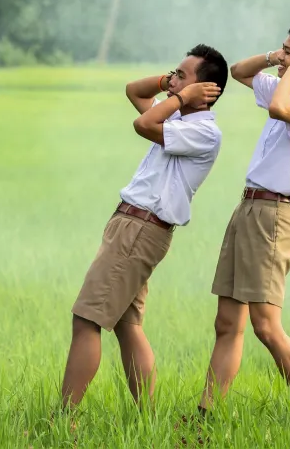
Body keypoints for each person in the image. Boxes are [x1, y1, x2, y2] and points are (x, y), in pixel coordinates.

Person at [60, 44, 228, 411]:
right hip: (134, 225)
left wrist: (181, 96)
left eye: (182, 75)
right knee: (126, 324)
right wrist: (171, 83)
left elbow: (143, 124)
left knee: (87, 319)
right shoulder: (179, 119)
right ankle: (147, 418)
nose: (172, 81)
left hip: (140, 228)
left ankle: (63, 419)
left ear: (205, 90)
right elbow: (134, 91)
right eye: (174, 73)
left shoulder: (203, 132)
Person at [197, 21, 290, 416]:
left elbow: (279, 108)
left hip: (274, 214)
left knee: (266, 326)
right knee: (227, 323)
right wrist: (279, 60)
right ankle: (207, 416)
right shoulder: (283, 84)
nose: (281, 57)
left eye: (289, 51)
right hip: (248, 208)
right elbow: (239, 72)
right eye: (282, 49)